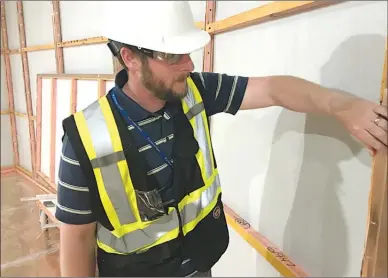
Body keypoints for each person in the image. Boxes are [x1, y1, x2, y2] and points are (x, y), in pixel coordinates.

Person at [56, 1, 387, 277]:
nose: (188, 64)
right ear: (130, 58)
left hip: (201, 264)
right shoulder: (85, 139)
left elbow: (274, 88)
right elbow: (77, 240)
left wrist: (343, 106)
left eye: (188, 52)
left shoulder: (196, 91)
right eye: (172, 56)